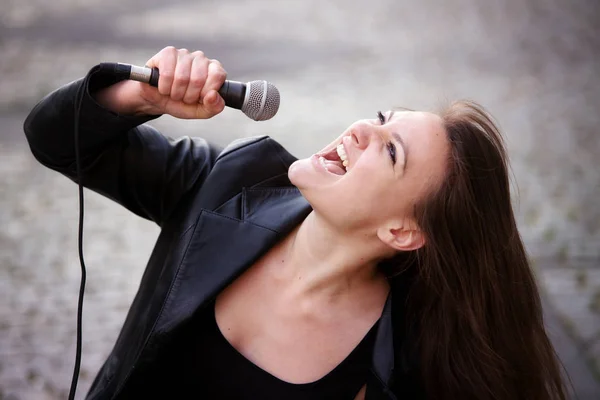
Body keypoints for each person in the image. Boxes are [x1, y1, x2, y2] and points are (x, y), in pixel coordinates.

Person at [24, 47, 568, 400]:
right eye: (381, 119)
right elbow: (54, 139)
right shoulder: (229, 181)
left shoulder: (400, 367)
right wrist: (138, 95)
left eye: (392, 152)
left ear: (401, 231)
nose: (360, 130)